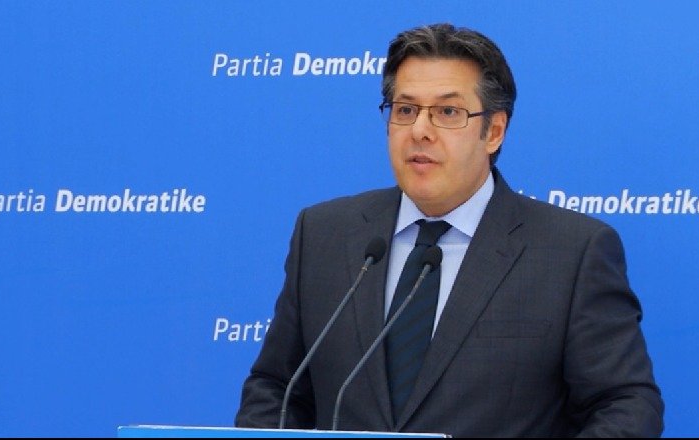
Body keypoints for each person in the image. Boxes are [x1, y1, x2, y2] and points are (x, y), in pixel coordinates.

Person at [235, 23, 664, 437]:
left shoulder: (571, 252)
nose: (420, 131)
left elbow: (625, 406)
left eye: (447, 112)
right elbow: (276, 389)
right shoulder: (325, 234)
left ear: (494, 131)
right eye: (405, 110)